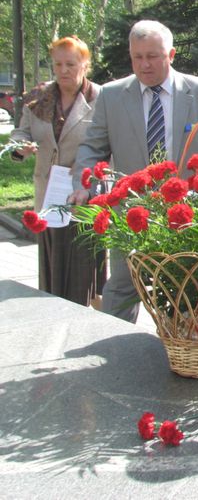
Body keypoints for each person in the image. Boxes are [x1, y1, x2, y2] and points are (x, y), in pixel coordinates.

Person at [69, 20, 198, 323]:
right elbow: (93, 147)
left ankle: (185, 353)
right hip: (133, 212)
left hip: (191, 215)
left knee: (188, 291)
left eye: (152, 56)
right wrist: (85, 182)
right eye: (137, 57)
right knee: (121, 287)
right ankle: (114, 346)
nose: (144, 65)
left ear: (171, 55)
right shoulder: (112, 95)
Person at [10, 35, 105, 307]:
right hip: (49, 194)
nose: (64, 70)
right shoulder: (38, 97)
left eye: (71, 64)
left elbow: (108, 141)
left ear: (85, 65)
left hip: (83, 193)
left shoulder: (101, 98)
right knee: (52, 264)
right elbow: (21, 131)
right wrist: (19, 146)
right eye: (58, 64)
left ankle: (85, 313)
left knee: (82, 266)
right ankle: (52, 311)